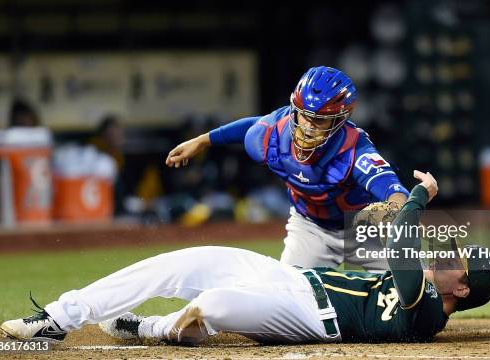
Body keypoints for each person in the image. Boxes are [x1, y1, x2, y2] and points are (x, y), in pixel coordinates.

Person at [0, 171, 490, 345]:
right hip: (292, 278)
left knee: (213, 304)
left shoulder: (424, 312)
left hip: (304, 319)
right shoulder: (447, 281)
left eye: (451, 264)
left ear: (457, 293)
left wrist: (421, 196)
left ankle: (152, 328)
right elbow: (482, 261)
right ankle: (58, 317)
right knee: (188, 257)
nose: (444, 253)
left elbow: (405, 239)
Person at [165, 66, 409, 271]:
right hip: (309, 229)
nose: (308, 127)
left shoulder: (355, 150)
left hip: (361, 230)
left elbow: (393, 189)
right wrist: (201, 141)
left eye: (320, 120)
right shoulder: (272, 134)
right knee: (287, 297)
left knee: (414, 294)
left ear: (341, 119)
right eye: (304, 116)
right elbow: (250, 126)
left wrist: (394, 211)